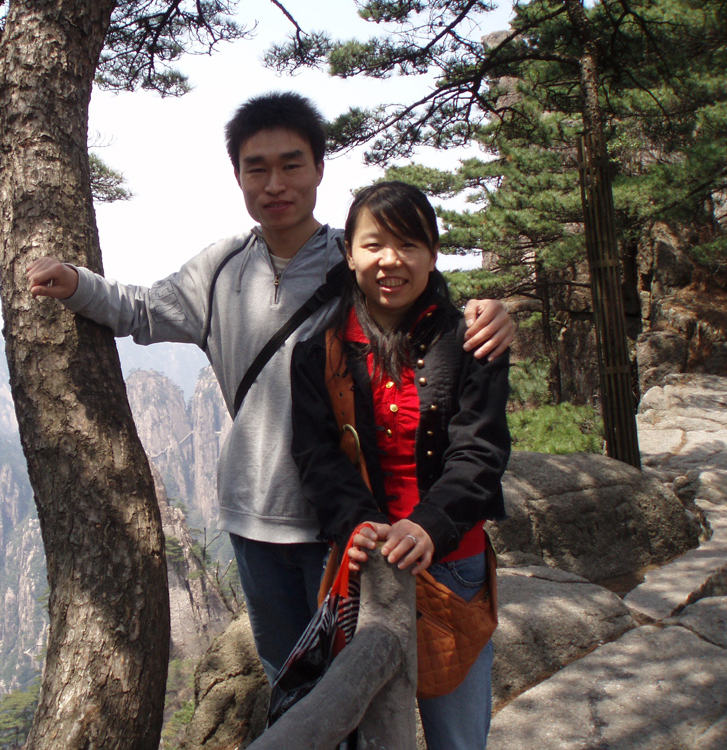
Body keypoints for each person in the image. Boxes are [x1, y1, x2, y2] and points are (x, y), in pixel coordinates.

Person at [25, 92, 514, 681]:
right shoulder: (220, 268)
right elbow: (142, 309)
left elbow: (426, 301)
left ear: (319, 169)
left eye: (291, 165)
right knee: (285, 677)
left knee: (353, 685)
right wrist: (76, 283)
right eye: (258, 168)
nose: (275, 184)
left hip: (346, 520)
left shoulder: (358, 256)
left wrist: (492, 310)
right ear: (238, 176)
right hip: (254, 516)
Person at [289, 180, 511, 749]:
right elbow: (316, 457)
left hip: (451, 569)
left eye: (409, 244)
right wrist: (357, 523)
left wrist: (429, 526)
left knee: (457, 740)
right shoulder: (321, 346)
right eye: (374, 244)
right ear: (349, 253)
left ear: (433, 253)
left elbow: (480, 450)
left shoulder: (472, 338)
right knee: (363, 734)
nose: (391, 260)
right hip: (365, 566)